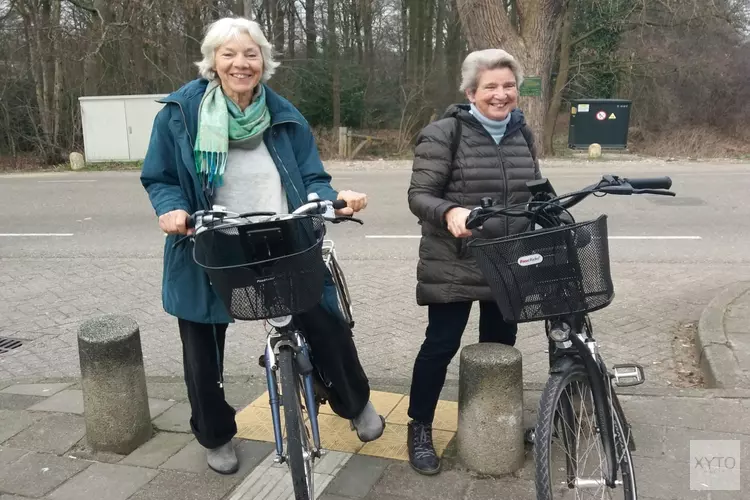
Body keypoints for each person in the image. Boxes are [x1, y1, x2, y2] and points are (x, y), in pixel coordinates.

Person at [140, 16, 384, 475]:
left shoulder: (284, 113)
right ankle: (215, 435)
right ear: (213, 60)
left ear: (264, 62)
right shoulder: (180, 114)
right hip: (207, 239)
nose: (240, 63)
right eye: (229, 54)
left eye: (251, 54)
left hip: (280, 236)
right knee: (200, 346)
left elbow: (311, 176)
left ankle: (354, 405)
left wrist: (334, 200)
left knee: (324, 318)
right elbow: (161, 177)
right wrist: (173, 210)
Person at [405, 48, 542, 475]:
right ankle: (420, 426)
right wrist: (449, 212)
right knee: (441, 345)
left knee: (500, 346)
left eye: (508, 85)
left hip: (507, 260)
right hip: (456, 259)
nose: (501, 95)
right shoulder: (444, 132)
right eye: (491, 87)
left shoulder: (522, 132)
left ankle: (493, 422)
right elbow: (419, 196)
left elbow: (533, 188)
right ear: (471, 92)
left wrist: (551, 209)